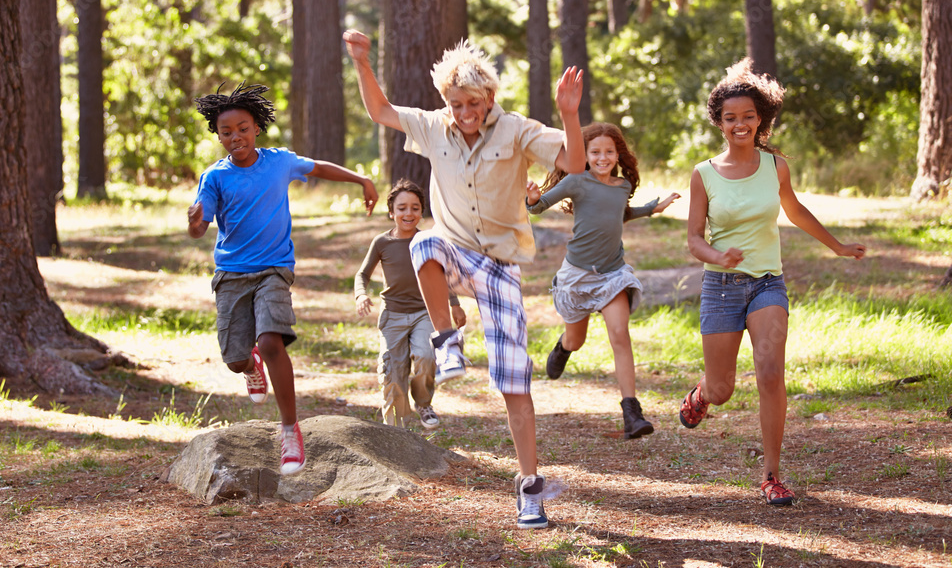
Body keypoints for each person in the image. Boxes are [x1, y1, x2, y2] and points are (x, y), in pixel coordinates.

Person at [344, 29, 585, 529]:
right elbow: (382, 112)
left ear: (490, 98)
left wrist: (568, 114)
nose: (464, 113)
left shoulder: (517, 130)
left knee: (515, 386)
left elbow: (575, 164)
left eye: (472, 103)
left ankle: (530, 490)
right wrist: (363, 62)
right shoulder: (434, 127)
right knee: (423, 242)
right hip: (452, 253)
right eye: (455, 104)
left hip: (500, 268)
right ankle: (448, 340)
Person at [682, 59, 865, 506]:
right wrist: (717, 254)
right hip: (722, 285)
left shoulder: (775, 166)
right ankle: (703, 392)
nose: (739, 124)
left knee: (769, 373)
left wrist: (837, 246)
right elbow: (692, 238)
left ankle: (771, 475)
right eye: (731, 118)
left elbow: (796, 210)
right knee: (723, 388)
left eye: (748, 116)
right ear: (719, 123)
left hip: (767, 284)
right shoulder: (703, 174)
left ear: (760, 118)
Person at [188, 82, 379, 476]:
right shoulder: (215, 178)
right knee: (235, 358)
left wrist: (361, 180)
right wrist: (194, 223)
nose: (235, 137)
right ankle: (250, 365)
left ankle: (290, 430)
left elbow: (320, 167)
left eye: (242, 128)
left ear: (256, 127)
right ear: (218, 136)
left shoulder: (278, 161)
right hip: (231, 276)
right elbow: (200, 226)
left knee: (272, 340)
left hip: (274, 269)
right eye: (227, 132)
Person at [525, 122, 679, 440]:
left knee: (620, 335)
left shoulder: (621, 186)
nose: (602, 157)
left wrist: (653, 208)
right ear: (585, 155)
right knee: (577, 340)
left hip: (612, 273)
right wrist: (532, 198)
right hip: (577, 277)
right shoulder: (576, 181)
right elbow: (539, 208)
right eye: (595, 152)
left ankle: (631, 414)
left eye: (609, 151)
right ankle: (563, 348)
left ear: (618, 155)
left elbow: (619, 213)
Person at [354, 179, 467, 430]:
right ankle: (396, 428)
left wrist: (455, 304)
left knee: (427, 356)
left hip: (423, 313)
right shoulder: (382, 243)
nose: (409, 213)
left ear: (421, 212)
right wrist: (361, 294)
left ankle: (424, 403)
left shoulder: (428, 241)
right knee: (392, 371)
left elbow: (441, 276)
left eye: (415, 208)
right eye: (402, 208)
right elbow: (362, 275)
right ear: (391, 211)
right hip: (392, 315)